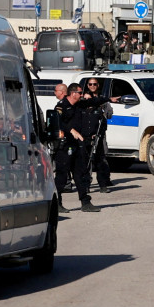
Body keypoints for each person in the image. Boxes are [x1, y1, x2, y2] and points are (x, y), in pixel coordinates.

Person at [54, 83, 110, 212]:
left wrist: (108, 99)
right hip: (64, 146)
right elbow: (58, 122)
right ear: (73, 93)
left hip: (77, 145)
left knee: (81, 174)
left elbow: (94, 101)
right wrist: (71, 130)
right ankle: (57, 203)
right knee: (62, 176)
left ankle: (85, 203)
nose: (81, 95)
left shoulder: (79, 104)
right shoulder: (61, 106)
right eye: (80, 93)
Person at [80, 78, 115, 193]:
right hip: (86, 134)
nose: (92, 86)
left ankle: (103, 183)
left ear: (98, 85)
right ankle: (86, 184)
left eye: (94, 84)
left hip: (99, 134)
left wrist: (103, 110)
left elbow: (109, 114)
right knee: (86, 161)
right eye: (90, 84)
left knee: (101, 159)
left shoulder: (102, 99)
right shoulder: (84, 98)